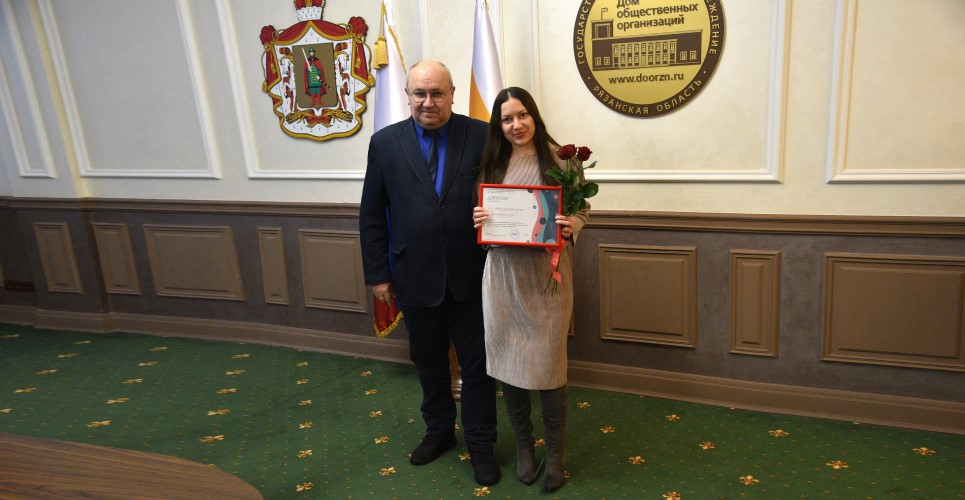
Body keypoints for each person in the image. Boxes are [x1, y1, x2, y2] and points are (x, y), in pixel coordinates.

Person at [359, 60, 499, 486]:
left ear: (452, 94)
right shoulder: (385, 143)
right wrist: (378, 275)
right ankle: (439, 431)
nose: (428, 102)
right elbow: (372, 214)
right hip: (414, 274)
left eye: (437, 93)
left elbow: (508, 189)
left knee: (477, 365)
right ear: (407, 95)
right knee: (428, 361)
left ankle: (481, 443)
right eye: (419, 93)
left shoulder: (481, 135)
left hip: (472, 274)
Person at [472, 87, 589, 492]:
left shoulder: (562, 160)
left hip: (546, 279)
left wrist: (573, 225)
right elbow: (485, 224)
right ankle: (525, 447)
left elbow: (582, 209)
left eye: (522, 115)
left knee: (550, 366)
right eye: (506, 119)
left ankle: (555, 453)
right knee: (509, 362)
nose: (516, 125)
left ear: (534, 116)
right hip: (503, 278)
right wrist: (480, 221)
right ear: (498, 126)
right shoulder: (491, 163)